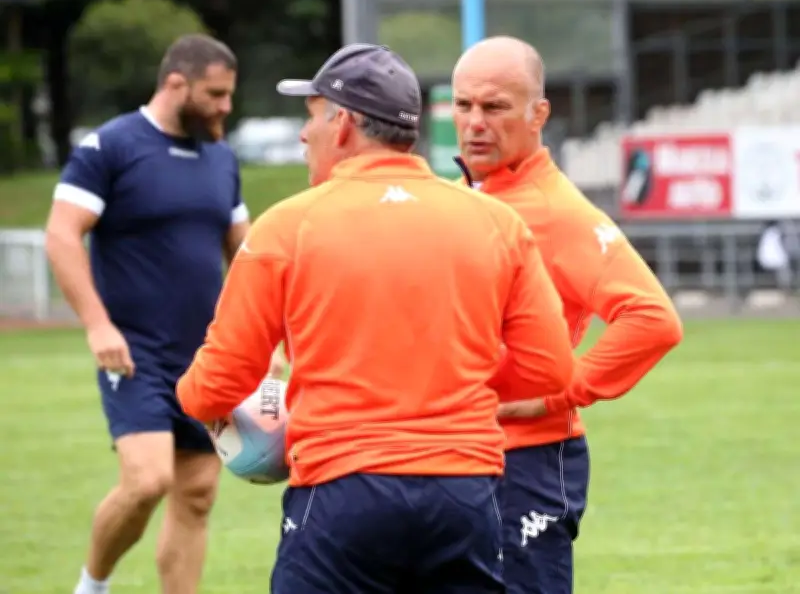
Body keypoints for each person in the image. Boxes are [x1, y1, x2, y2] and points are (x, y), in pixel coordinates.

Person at [176, 43, 575, 594]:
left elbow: (218, 381)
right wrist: (448, 387)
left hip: (342, 492)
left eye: (313, 115)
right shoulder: (497, 223)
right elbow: (552, 369)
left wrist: (197, 401)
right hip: (465, 495)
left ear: (343, 124)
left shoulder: (287, 226)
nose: (304, 134)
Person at [450, 36, 684, 594]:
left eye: (495, 106)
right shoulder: (457, 200)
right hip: (455, 455)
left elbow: (652, 318)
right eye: (463, 105)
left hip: (525, 460)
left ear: (539, 114)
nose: (475, 123)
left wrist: (563, 392)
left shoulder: (557, 212)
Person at [44, 34, 249, 594]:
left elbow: (245, 253)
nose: (226, 107)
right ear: (176, 84)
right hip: (134, 353)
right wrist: (97, 325)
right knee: (148, 479)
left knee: (198, 493)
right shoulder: (110, 147)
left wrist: (263, 339)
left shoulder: (221, 159)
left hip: (204, 357)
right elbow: (62, 235)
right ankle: (91, 587)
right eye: (216, 94)